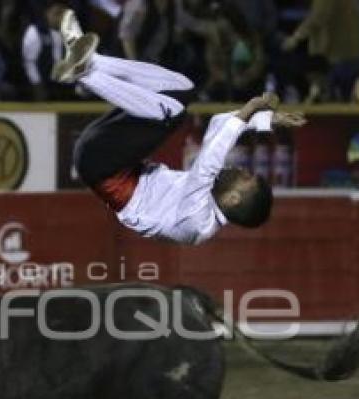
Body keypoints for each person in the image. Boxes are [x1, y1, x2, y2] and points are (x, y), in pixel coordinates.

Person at [54, 9, 306, 245]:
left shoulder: (199, 224)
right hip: (112, 158)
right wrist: (262, 120)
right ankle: (91, 61)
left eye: (244, 177)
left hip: (101, 165)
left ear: (232, 199)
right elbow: (218, 125)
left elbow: (206, 163)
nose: (240, 169)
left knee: (172, 113)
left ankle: (85, 75)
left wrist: (248, 111)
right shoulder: (209, 198)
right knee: (183, 88)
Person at [22, 0, 76, 101]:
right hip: (42, 85)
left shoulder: (72, 33)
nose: (61, 18)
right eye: (57, 13)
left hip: (65, 87)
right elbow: (29, 63)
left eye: (65, 14)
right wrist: (37, 85)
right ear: (47, 13)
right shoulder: (35, 32)